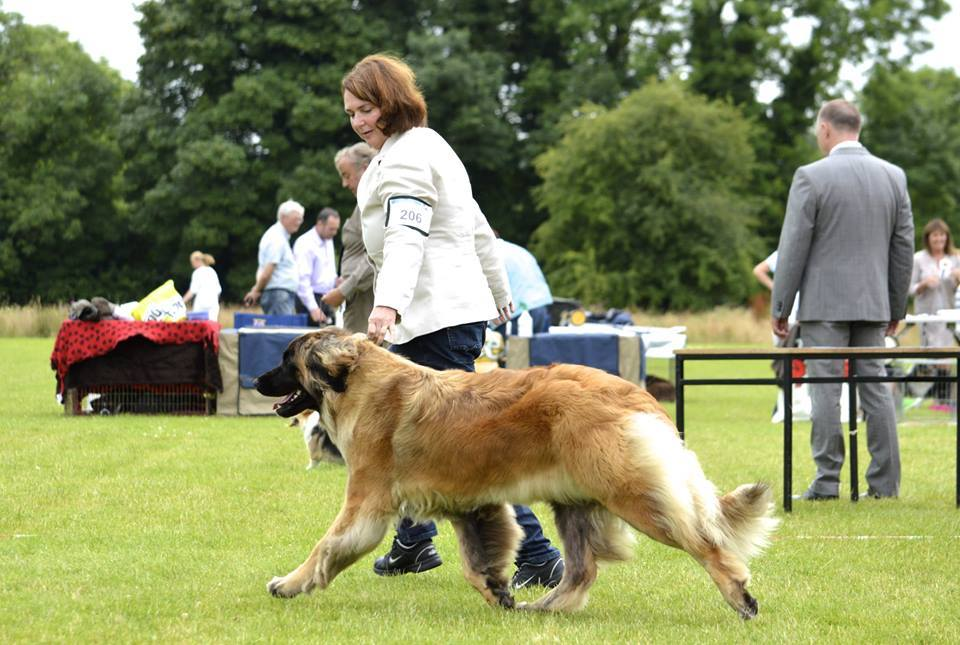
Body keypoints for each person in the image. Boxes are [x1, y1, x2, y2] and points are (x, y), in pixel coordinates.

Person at [342, 53, 564, 588]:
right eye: (351, 113)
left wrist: (387, 304)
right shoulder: (429, 145)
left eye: (367, 109)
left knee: (464, 449)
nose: (358, 121)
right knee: (415, 437)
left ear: (392, 101)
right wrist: (500, 291)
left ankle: (537, 554)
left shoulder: (406, 157)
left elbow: (407, 236)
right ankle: (413, 543)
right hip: (447, 315)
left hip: (430, 317)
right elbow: (479, 227)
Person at [771, 99, 914, 501]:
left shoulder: (810, 177)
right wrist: (895, 307)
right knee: (875, 388)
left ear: (826, 129)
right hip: (873, 304)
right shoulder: (894, 176)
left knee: (825, 389)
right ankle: (885, 485)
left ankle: (827, 481)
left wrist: (781, 307)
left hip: (824, 306)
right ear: (858, 128)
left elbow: (793, 246)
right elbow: (903, 248)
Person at [323, 143, 378, 334]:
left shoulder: (373, 203)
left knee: (362, 356)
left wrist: (343, 290)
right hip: (358, 295)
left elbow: (375, 254)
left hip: (365, 298)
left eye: (347, 176)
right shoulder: (364, 203)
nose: (344, 184)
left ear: (365, 169)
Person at [909, 218, 960, 407]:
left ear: (947, 237)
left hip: (948, 316)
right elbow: (910, 289)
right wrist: (924, 284)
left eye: (942, 235)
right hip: (927, 315)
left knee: (944, 358)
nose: (939, 239)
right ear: (928, 238)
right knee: (930, 359)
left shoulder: (955, 258)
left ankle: (942, 401)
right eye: (935, 235)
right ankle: (912, 390)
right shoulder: (918, 259)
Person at [243, 200, 304, 315]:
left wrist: (256, 289)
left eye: (301, 219)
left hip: (280, 295)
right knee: (282, 331)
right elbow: (267, 272)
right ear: (283, 217)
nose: (299, 222)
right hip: (279, 296)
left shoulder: (280, 237)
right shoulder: (276, 238)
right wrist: (256, 290)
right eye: (296, 218)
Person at [494, 238, 553, 336]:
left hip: (517, 311)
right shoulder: (517, 249)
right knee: (538, 349)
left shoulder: (490, 252)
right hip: (541, 304)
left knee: (514, 350)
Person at [294, 207, 341, 326]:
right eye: (331, 229)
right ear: (320, 223)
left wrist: (336, 281)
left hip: (325, 298)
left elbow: (328, 270)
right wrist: (313, 308)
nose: (334, 233)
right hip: (309, 300)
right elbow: (302, 280)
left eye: (336, 229)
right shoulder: (305, 243)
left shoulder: (328, 240)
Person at [182, 251, 222, 322]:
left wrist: (182, 301)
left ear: (197, 260)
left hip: (201, 304)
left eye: (192, 262)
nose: (192, 265)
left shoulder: (197, 272)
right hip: (213, 304)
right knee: (212, 328)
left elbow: (192, 291)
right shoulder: (212, 271)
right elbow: (218, 291)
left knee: (197, 327)